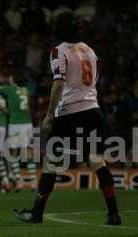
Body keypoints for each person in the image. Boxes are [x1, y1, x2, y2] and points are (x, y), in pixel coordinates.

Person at [13, 13, 121, 225]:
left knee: (51, 162)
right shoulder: (89, 50)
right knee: (97, 161)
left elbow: (59, 83)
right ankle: (114, 213)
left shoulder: (58, 51)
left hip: (69, 112)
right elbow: (95, 77)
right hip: (93, 109)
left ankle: (36, 214)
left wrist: (49, 115)